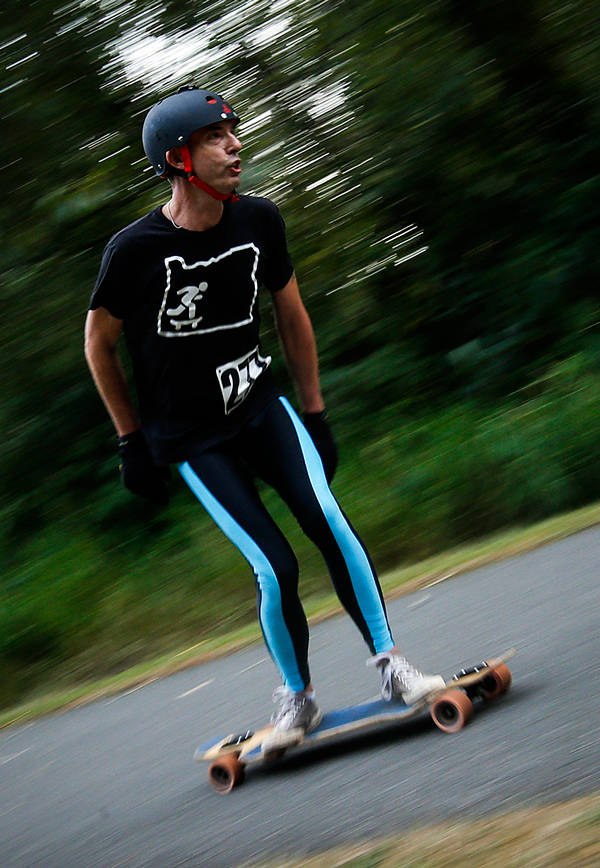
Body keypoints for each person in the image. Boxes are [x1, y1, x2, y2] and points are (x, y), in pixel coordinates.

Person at [84, 85, 444, 750]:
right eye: (217, 138)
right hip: (191, 438)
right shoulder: (134, 251)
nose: (236, 146)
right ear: (178, 158)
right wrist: (129, 438)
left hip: (259, 405)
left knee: (328, 520)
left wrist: (316, 411)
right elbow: (97, 344)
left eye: (234, 133)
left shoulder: (260, 220)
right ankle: (297, 701)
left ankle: (392, 665)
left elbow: (292, 315)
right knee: (275, 564)